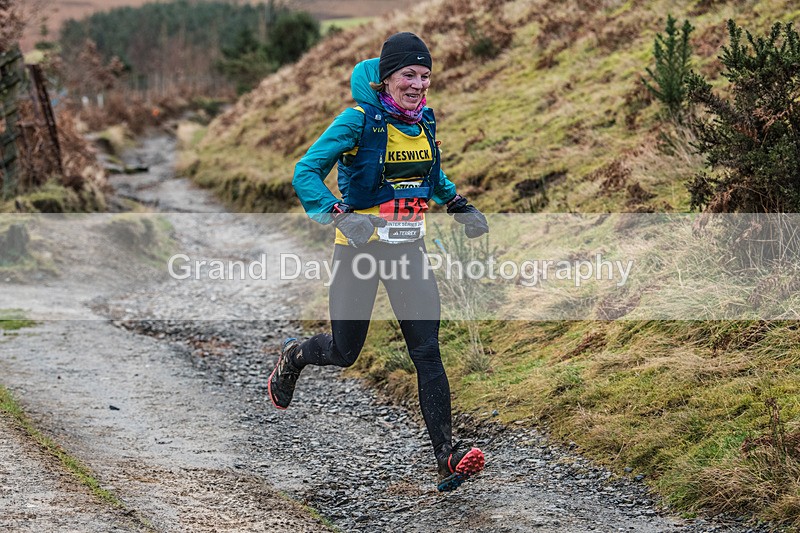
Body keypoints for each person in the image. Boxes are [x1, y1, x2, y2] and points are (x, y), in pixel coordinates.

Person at [268, 32, 489, 492]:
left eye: (425, 76)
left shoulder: (423, 121)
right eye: (409, 74)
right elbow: (306, 171)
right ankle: (294, 355)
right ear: (387, 77)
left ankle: (447, 457)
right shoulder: (357, 121)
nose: (418, 85)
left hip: (409, 251)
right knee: (344, 351)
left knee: (426, 351)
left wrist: (457, 203)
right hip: (360, 254)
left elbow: (429, 172)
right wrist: (340, 215)